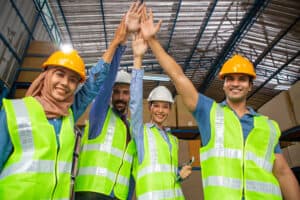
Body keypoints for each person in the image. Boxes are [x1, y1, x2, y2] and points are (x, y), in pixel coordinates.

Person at [138, 8, 300, 200]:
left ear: (250, 86)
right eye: (230, 79)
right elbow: (178, 76)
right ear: (223, 85)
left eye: (242, 79)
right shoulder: (210, 113)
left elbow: (282, 172)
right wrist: (153, 42)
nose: (235, 83)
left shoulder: (268, 126)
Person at [0, 22, 128, 199]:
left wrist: (116, 44)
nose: (65, 84)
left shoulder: (68, 115)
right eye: (59, 74)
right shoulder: (14, 112)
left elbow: (93, 85)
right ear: (46, 76)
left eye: (73, 80)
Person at [74, 2, 144, 200]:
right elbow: (104, 85)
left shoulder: (131, 127)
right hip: (91, 193)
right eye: (117, 92)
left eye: (125, 92)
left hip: (119, 196)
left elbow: (130, 169)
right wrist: (121, 44)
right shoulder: (100, 115)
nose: (121, 97)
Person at [130, 32, 192, 200]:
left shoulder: (173, 140)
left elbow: (168, 175)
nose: (160, 110)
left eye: (165, 107)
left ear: (170, 109)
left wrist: (180, 174)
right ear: (149, 107)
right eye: (156, 105)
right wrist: (138, 58)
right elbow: (134, 102)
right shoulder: (140, 132)